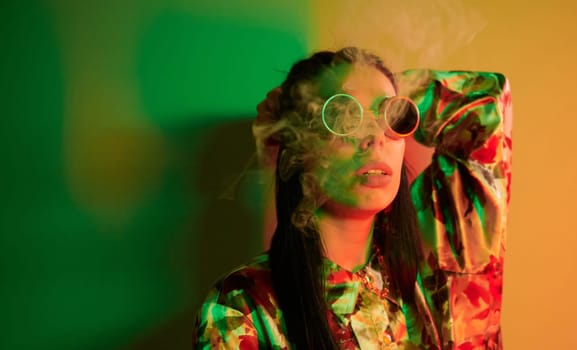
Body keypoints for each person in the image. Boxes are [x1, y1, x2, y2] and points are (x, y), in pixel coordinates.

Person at [193, 47, 512, 350]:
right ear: (300, 149)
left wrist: (380, 85)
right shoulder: (242, 306)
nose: (375, 137)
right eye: (344, 116)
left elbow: (487, 102)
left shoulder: (443, 269)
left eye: (391, 115)